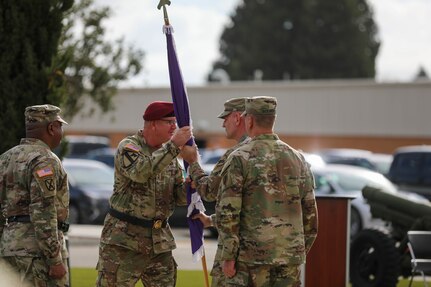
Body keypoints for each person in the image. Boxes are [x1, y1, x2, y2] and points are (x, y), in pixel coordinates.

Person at [216, 96, 318, 286]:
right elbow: (310, 214)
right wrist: (295, 250)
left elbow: (228, 212)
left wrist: (229, 256)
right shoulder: (298, 158)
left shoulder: (240, 157)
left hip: (251, 261)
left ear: (250, 120)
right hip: (289, 259)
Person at [96, 101, 192, 287]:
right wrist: (173, 146)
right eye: (169, 121)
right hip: (125, 241)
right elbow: (140, 172)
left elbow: (179, 197)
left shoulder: (169, 156)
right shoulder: (130, 147)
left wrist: (191, 184)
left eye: (175, 122)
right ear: (153, 123)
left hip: (159, 242)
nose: (174, 126)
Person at [181, 97, 249, 286]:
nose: (223, 124)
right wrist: (211, 220)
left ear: (237, 117)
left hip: (240, 256)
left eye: (225, 118)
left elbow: (209, 191)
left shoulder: (238, 154)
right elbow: (254, 208)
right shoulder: (283, 154)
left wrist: (193, 162)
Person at [0, 104, 70, 286]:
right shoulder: (45, 159)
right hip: (37, 254)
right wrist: (54, 260)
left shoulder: (6, 158)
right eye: (60, 126)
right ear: (51, 128)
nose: (61, 131)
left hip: (9, 248)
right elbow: (43, 212)